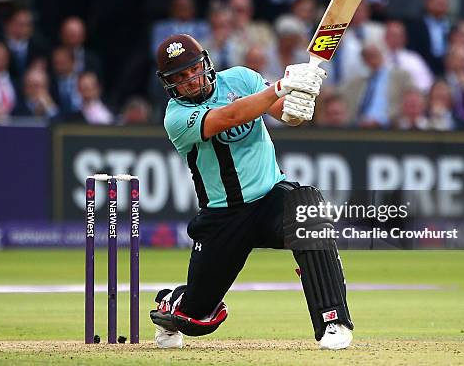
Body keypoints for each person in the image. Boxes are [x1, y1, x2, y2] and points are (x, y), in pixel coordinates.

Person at [149, 34, 353, 350]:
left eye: (193, 70)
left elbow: (287, 115)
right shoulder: (175, 117)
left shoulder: (241, 78)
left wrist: (302, 98)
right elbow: (229, 117)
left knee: (309, 210)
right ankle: (172, 303)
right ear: (169, 84)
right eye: (180, 77)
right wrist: (280, 87)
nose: (190, 80)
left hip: (271, 196)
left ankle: (333, 322)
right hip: (223, 215)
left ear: (205, 62)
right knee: (197, 317)